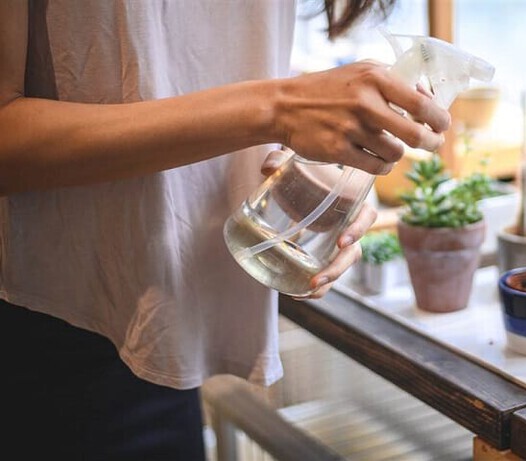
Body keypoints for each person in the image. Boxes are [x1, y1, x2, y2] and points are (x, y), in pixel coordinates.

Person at [0, 0, 450, 460]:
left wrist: (335, 162)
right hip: (36, 325)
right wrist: (279, 106)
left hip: (156, 329)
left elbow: (191, 53)